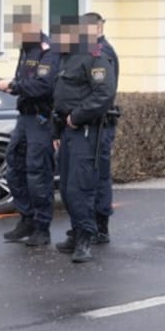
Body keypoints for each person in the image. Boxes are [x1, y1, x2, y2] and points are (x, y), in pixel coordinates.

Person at [51, 15, 117, 262]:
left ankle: (85, 239)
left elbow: (104, 93)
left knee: (81, 187)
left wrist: (77, 117)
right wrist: (56, 131)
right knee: (67, 188)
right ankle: (77, 230)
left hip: (86, 130)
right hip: (68, 131)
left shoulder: (95, 55)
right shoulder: (68, 59)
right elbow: (59, 97)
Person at [0, 6, 60, 246]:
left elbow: (43, 86)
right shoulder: (27, 50)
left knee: (37, 172)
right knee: (14, 165)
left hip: (41, 119)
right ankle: (27, 218)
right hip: (24, 117)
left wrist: (13, 85)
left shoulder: (48, 50)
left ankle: (42, 228)